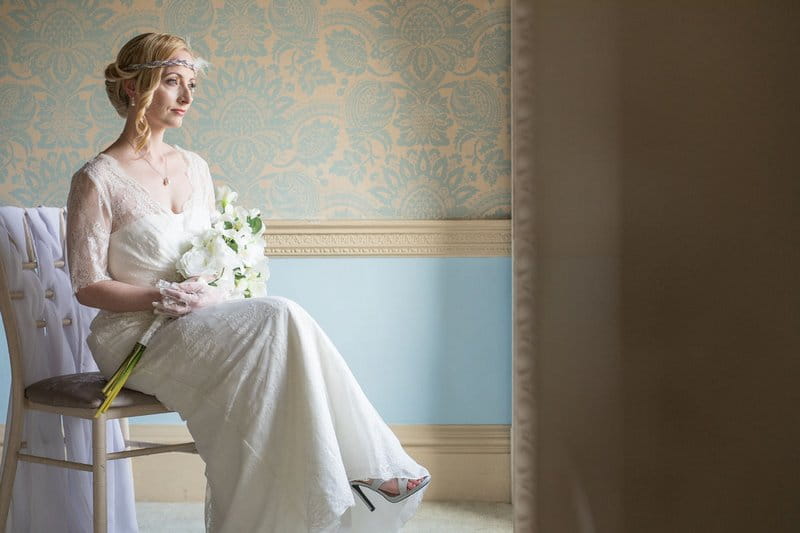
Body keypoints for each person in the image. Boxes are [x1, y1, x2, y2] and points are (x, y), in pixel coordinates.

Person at [66, 32, 430, 533]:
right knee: (280, 315)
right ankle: (368, 472)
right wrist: (161, 294)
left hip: (204, 321)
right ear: (134, 88)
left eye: (192, 83)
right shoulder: (98, 178)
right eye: (174, 82)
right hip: (135, 336)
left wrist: (215, 285)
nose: (188, 97)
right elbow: (86, 285)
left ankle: (323, 493)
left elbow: (218, 254)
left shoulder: (195, 166)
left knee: (279, 339)